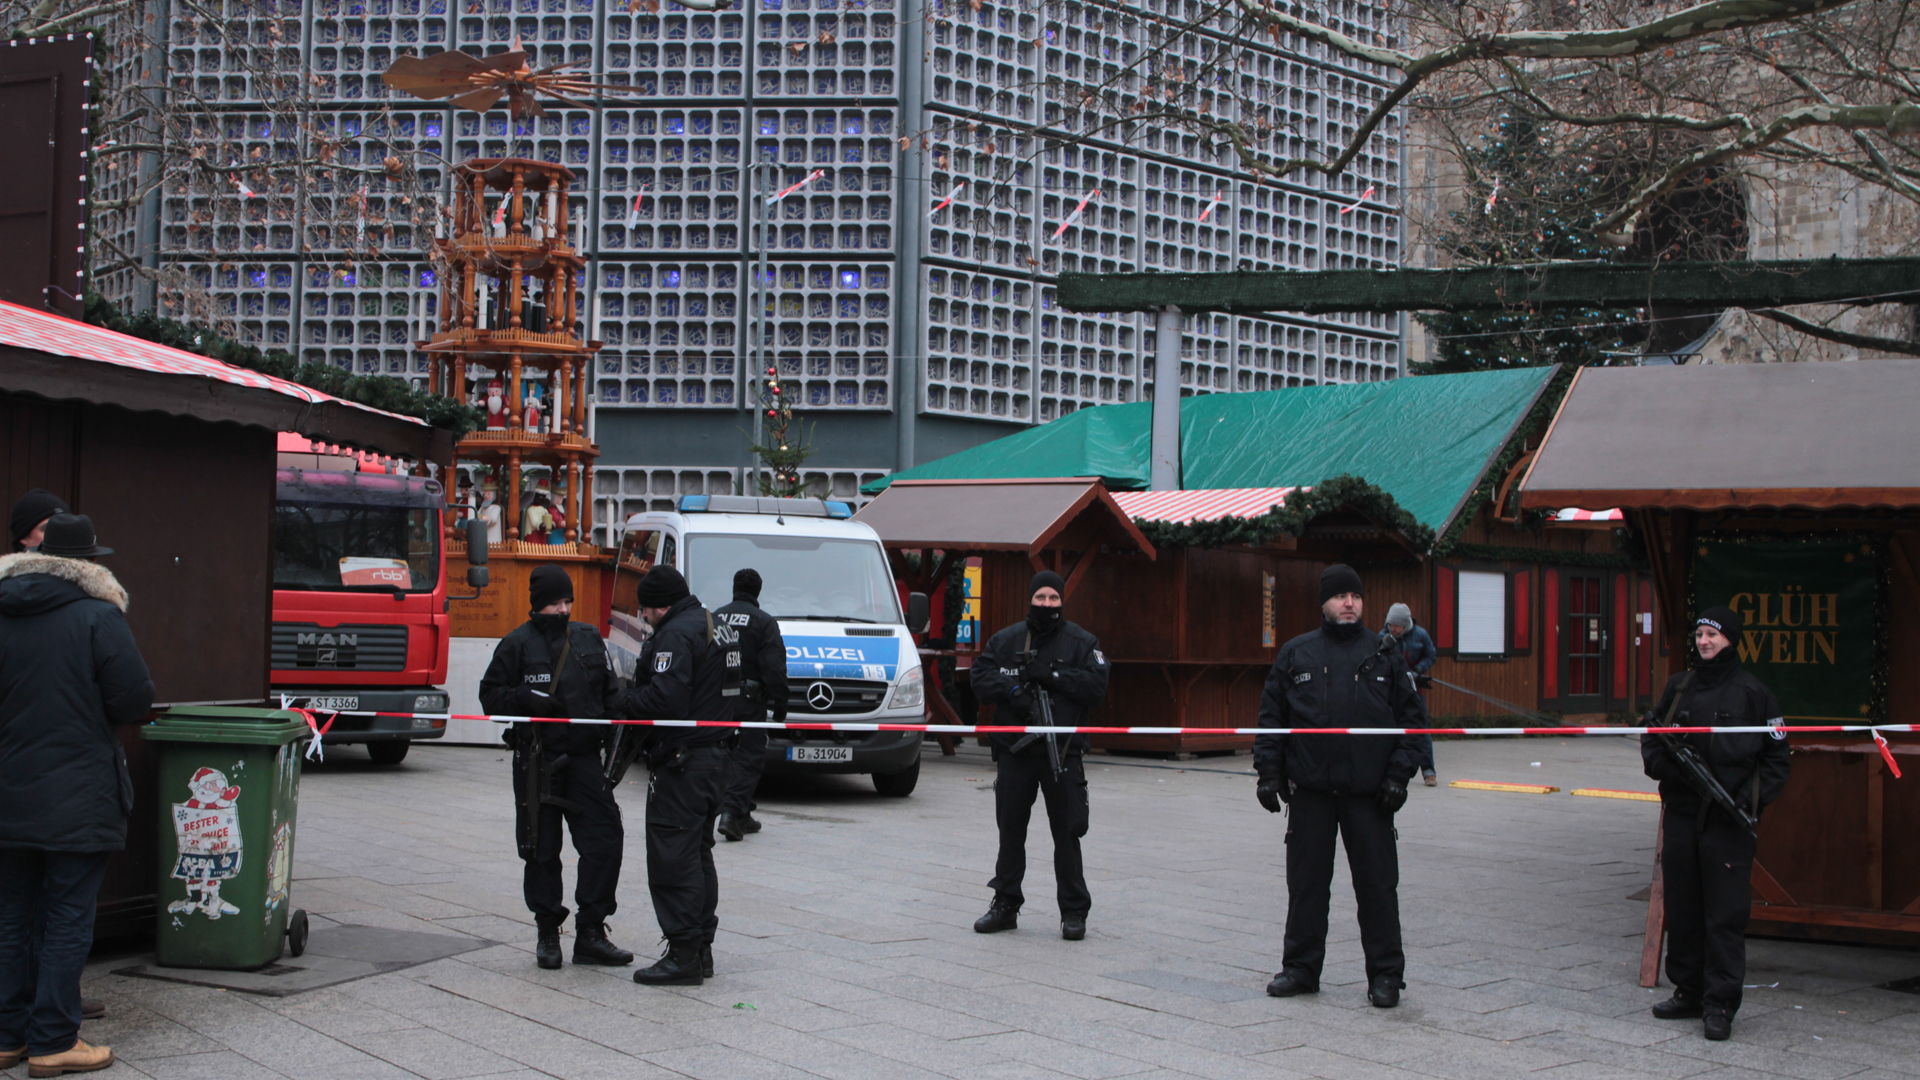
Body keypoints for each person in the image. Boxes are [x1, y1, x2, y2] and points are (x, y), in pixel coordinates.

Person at [0, 514, 154, 1076]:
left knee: (10, 912)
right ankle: (54, 1040)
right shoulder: (97, 616)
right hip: (78, 790)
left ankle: (7, 1036)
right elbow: (134, 698)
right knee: (66, 914)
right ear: (86, 564)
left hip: (7, 789)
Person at [1255, 564, 1426, 1008]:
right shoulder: (1296, 654)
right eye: (1339, 596)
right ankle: (1300, 968)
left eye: (1355, 595)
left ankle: (1386, 975)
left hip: (1370, 795)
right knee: (1307, 885)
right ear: (1323, 603)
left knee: (1378, 886)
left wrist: (1397, 777)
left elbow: (1412, 724)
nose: (1348, 603)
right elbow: (1273, 719)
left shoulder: (1386, 655)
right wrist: (1268, 772)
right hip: (1311, 792)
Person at [1641, 605, 1791, 1042]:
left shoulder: (1754, 694)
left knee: (1724, 916)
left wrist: (1747, 803)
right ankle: (1689, 991)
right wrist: (1669, 769)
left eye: (1713, 635)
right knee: (1683, 908)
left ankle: (1720, 1003)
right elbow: (1653, 743)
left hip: (1728, 822)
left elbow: (1777, 761)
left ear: (1731, 640)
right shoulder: (1679, 687)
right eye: (1700, 634)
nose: (1704, 641)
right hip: (1684, 816)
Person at [479, 564, 633, 971]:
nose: (562, 610)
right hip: (538, 760)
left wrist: (618, 730)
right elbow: (490, 698)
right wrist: (525, 700)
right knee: (541, 850)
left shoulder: (586, 637)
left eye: (567, 602)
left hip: (584, 760)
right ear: (537, 605)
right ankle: (548, 930)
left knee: (605, 841)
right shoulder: (516, 644)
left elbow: (609, 691)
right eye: (554, 603)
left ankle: (591, 931)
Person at [969, 570, 1110, 941]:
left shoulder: (1081, 642)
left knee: (1067, 833)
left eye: (1053, 599)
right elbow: (980, 679)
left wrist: (1052, 676)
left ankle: (1074, 911)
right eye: (1040, 598)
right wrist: (1012, 690)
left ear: (1062, 601)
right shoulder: (1006, 640)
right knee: (1010, 831)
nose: (1046, 605)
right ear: (1030, 599)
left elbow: (1097, 686)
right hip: (1016, 753)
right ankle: (1005, 904)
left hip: (1061, 752)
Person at [618, 565, 737, 986]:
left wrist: (625, 698)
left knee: (673, 856)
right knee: (698, 852)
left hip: (684, 762)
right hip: (716, 757)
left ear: (659, 605)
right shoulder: (715, 625)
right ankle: (700, 949)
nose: (645, 618)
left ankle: (684, 953)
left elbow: (665, 698)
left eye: (646, 610)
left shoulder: (675, 633)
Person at [713, 569, 788, 842]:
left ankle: (741, 813)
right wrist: (781, 702)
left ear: (734, 588)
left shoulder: (716, 617)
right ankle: (731, 814)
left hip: (716, 699)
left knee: (720, 754)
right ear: (758, 591)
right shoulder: (764, 622)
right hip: (748, 701)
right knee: (749, 756)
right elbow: (774, 668)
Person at [1383, 603, 1438, 786]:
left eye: (1396, 625)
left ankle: (1428, 771)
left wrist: (1418, 672)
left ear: (1405, 624)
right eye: (1390, 624)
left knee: (1422, 728)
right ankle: (1388, 769)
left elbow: (1431, 656)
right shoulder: (1383, 637)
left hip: (1416, 689)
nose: (1393, 628)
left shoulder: (1420, 635)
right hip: (1392, 691)